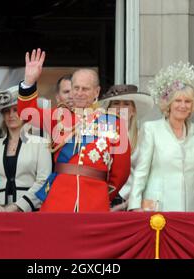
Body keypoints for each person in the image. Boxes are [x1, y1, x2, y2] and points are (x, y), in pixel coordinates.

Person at [17, 49, 130, 212]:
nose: (79, 93)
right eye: (75, 88)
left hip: (95, 201)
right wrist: (28, 81)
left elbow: (121, 171)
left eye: (85, 89)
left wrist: (103, 194)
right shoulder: (59, 117)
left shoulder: (113, 123)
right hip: (58, 200)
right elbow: (27, 113)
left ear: (96, 92)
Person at [128, 62, 194, 212]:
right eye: (178, 101)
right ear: (169, 104)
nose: (183, 106)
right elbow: (141, 171)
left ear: (192, 106)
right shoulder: (151, 129)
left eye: (187, 102)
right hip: (157, 209)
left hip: (191, 210)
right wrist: (134, 205)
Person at [0, 86, 52, 212]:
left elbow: (44, 181)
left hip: (30, 212)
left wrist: (19, 207)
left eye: (16, 110)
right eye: (6, 111)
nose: (11, 115)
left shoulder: (41, 144)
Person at [98, 84, 154, 211]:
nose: (120, 108)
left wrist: (131, 202)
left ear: (133, 110)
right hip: (103, 198)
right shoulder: (98, 137)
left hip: (132, 201)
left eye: (126, 104)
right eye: (116, 103)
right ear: (108, 109)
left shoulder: (144, 137)